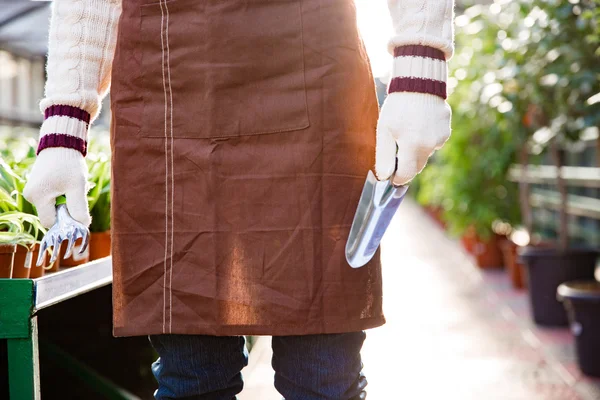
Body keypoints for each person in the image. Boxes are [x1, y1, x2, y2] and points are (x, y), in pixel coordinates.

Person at [24, 0, 454, 398]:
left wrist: (422, 67)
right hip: (167, 83)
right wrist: (65, 122)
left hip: (315, 67)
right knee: (193, 380)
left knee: (323, 377)